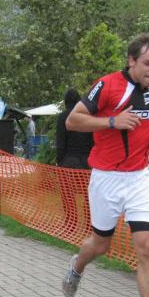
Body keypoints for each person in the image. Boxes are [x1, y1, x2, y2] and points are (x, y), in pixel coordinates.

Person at [62, 33, 149, 297]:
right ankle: (77, 265)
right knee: (101, 244)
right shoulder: (108, 85)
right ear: (131, 61)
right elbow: (73, 121)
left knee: (146, 247)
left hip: (139, 178)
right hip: (107, 178)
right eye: (148, 63)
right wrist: (112, 121)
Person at [56, 88, 94, 236]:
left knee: (68, 195)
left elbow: (60, 142)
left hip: (69, 161)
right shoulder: (87, 116)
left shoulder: (63, 117)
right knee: (88, 196)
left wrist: (59, 161)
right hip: (87, 161)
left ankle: (70, 225)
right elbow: (93, 140)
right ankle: (89, 226)